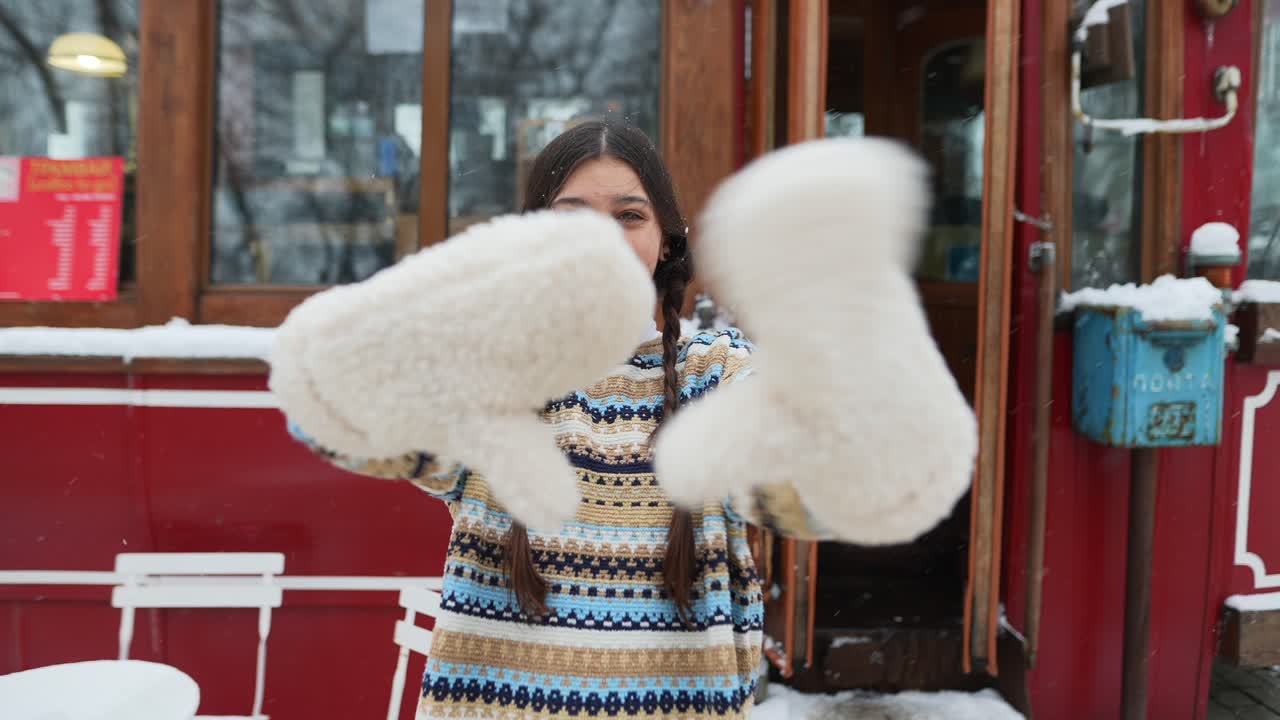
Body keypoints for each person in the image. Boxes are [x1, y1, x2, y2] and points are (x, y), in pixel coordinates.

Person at [269, 118, 976, 719]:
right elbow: (334, 423)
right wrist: (437, 312)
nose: (603, 239)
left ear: (667, 238)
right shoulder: (487, 377)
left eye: (629, 215)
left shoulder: (719, 373)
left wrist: (852, 351)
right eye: (572, 218)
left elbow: (813, 497)